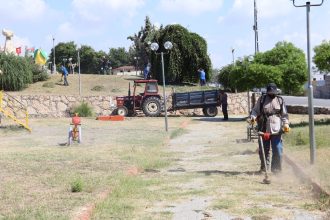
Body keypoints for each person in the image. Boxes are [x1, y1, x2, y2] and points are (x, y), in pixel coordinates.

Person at [250, 83, 290, 173]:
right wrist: (253, 117)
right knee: (264, 149)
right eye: (271, 92)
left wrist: (286, 124)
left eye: (274, 92)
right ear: (267, 92)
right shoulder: (262, 99)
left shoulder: (280, 100)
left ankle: (276, 170)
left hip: (276, 129)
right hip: (264, 128)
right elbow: (255, 111)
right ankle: (264, 168)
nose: (273, 94)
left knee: (278, 149)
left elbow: (284, 114)